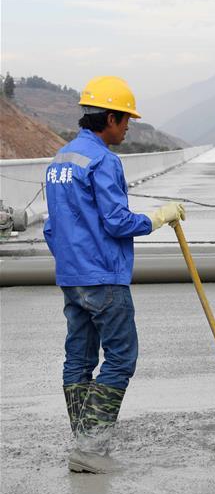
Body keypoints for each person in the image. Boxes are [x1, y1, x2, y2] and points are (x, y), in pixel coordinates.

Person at [43, 75, 186, 473]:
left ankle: (84, 446)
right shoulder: (104, 161)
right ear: (109, 118)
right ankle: (90, 448)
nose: (127, 129)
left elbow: (52, 228)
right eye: (125, 121)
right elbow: (118, 221)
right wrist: (158, 217)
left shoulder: (59, 161)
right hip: (105, 277)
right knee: (121, 358)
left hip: (71, 278)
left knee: (78, 358)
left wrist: (73, 263)